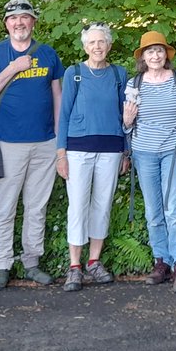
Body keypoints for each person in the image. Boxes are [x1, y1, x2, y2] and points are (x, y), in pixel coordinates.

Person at [0, 0, 64, 291]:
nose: (19, 23)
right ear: (6, 24)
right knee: (5, 206)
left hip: (44, 143)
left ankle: (31, 262)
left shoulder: (48, 54)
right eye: (13, 19)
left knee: (36, 207)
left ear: (33, 22)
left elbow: (57, 98)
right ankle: (1, 264)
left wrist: (58, 139)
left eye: (25, 18)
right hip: (7, 143)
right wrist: (13, 67)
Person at [123, 31, 176, 292]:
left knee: (174, 210)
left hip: (174, 150)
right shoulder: (135, 84)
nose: (155, 55)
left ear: (166, 54)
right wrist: (127, 121)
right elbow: (126, 125)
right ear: (142, 57)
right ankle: (161, 262)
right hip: (143, 152)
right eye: (149, 51)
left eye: (159, 50)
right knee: (153, 212)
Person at [56, 23, 127, 293]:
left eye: (102, 42)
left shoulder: (119, 74)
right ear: (85, 47)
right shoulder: (74, 73)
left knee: (102, 204)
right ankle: (74, 266)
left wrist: (126, 151)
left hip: (111, 149)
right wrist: (61, 153)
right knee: (77, 205)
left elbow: (125, 116)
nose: (97, 47)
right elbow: (63, 115)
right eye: (92, 43)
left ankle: (94, 261)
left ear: (109, 45)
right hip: (77, 149)